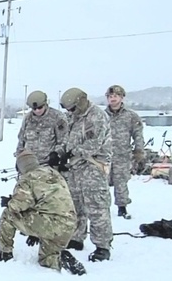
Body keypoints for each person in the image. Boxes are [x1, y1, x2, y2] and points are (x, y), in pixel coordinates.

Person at [0, 151, 85, 274]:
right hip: (68, 224)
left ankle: (4, 253)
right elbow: (45, 201)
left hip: (50, 223)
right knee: (46, 259)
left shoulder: (27, 179)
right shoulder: (52, 172)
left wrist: (9, 202)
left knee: (8, 215)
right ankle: (61, 259)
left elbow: (17, 206)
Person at [49, 88, 113, 262]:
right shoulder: (72, 117)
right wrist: (58, 152)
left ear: (81, 102)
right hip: (74, 168)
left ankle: (102, 246)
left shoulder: (97, 117)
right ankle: (76, 237)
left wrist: (70, 154)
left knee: (96, 206)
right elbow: (65, 139)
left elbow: (94, 144)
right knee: (75, 204)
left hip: (92, 167)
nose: (70, 112)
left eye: (72, 108)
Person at [105, 85, 145, 219]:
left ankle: (122, 208)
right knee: (101, 183)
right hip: (104, 156)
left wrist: (139, 150)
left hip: (122, 155)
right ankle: (102, 208)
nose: (113, 99)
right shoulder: (101, 116)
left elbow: (138, 134)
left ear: (122, 97)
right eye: (110, 97)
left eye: (115, 96)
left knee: (120, 182)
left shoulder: (131, 116)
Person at [15, 90, 67, 164]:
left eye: (40, 107)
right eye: (34, 109)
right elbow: (21, 140)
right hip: (30, 163)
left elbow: (64, 140)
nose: (37, 111)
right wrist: (19, 158)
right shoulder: (28, 118)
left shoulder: (57, 117)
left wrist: (56, 154)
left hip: (49, 163)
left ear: (45, 104)